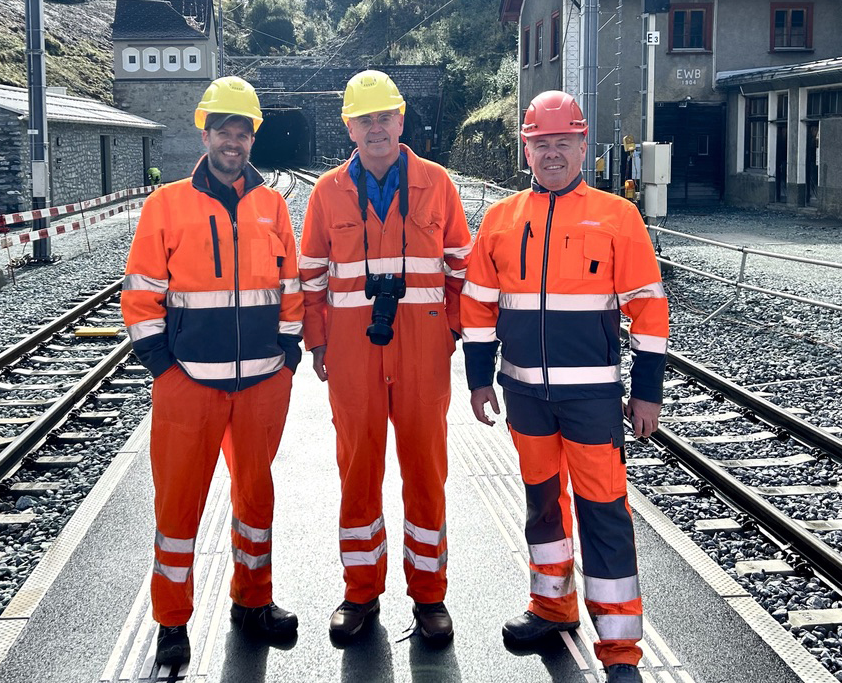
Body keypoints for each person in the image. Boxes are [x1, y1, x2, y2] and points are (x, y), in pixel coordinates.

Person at [460, 90, 669, 683]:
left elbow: (649, 311)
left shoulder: (617, 217)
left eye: (562, 143)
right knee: (541, 506)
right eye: (540, 144)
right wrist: (479, 382)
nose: (552, 153)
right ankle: (552, 607)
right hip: (525, 396)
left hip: (593, 400)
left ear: (583, 145)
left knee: (604, 514)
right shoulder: (501, 221)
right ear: (525, 149)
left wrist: (647, 393)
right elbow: (476, 308)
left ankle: (621, 649)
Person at [121, 76, 303, 666]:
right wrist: (161, 366)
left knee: (256, 496)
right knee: (178, 505)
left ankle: (253, 601)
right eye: (224, 129)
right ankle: (171, 622)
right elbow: (142, 290)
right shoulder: (167, 204)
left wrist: (287, 354)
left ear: (252, 138)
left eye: (243, 130)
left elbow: (291, 285)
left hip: (260, 381)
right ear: (206, 133)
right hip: (187, 384)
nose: (233, 139)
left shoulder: (272, 203)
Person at [299, 70, 471, 647]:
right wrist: (318, 343)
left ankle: (430, 596)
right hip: (352, 355)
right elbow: (311, 278)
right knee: (357, 469)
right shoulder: (325, 193)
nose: (376, 129)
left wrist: (449, 333)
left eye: (384, 117)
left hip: (423, 352)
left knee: (426, 469)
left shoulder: (438, 183)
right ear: (349, 126)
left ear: (402, 120)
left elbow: (461, 272)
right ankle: (360, 592)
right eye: (364, 119)